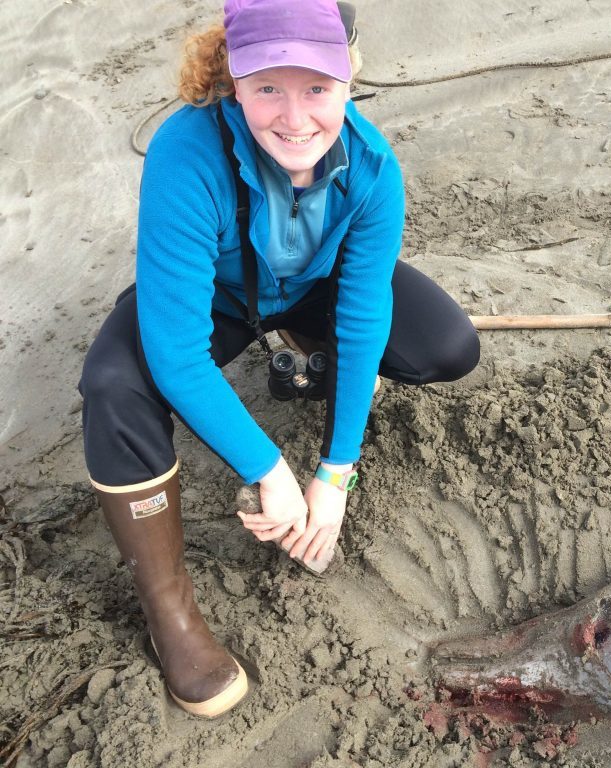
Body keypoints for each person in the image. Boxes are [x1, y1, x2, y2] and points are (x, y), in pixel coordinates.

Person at [77, 0, 479, 718]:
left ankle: (300, 344)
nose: (296, 119)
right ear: (234, 80)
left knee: (446, 345)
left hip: (313, 292)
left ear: (348, 81)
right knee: (114, 383)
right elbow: (174, 353)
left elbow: (363, 314)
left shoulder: (375, 169)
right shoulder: (184, 152)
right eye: (268, 87)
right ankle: (170, 615)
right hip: (223, 297)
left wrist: (333, 475)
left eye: (317, 88)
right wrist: (269, 471)